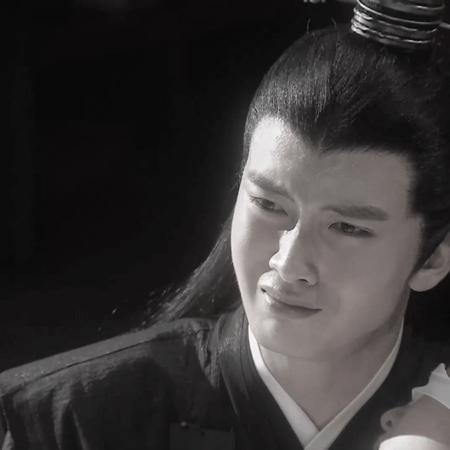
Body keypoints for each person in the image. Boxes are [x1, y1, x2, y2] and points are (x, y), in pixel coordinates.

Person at [1, 17, 450, 450]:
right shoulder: (65, 423)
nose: (288, 264)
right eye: (268, 204)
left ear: (433, 258)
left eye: (348, 227)